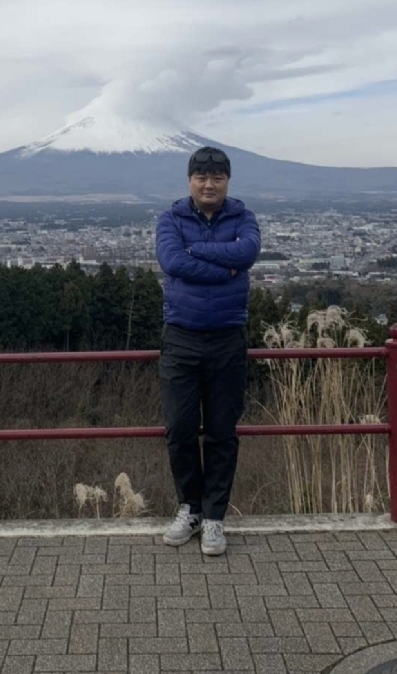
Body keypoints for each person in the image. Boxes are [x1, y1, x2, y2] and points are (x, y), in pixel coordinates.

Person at [155, 146, 261, 556]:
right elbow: (172, 262)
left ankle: (215, 516)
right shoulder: (170, 218)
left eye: (217, 177)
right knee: (179, 427)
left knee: (221, 430)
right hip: (181, 336)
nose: (209, 184)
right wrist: (225, 267)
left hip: (227, 336)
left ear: (227, 181)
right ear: (190, 181)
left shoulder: (244, 217)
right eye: (201, 177)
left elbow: (247, 252)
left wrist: (196, 250)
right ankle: (190, 507)